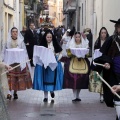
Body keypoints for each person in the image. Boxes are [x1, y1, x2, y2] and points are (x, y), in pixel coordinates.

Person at [94, 18, 120, 120]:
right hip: (115, 74)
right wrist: (107, 63)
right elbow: (106, 56)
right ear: (117, 28)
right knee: (117, 97)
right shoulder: (112, 40)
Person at [2, 27, 32, 100]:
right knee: (10, 78)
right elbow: (3, 51)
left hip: (18, 63)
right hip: (10, 62)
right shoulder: (7, 42)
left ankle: (15, 92)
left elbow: (24, 51)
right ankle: (9, 93)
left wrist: (26, 61)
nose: (15, 33)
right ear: (11, 33)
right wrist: (2, 60)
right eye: (13, 32)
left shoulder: (21, 42)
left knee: (16, 78)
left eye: (16, 31)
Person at [33, 30, 63, 102]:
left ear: (52, 37)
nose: (49, 38)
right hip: (45, 65)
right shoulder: (42, 45)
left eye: (50, 37)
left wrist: (57, 58)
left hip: (52, 64)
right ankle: (45, 96)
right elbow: (38, 53)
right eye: (47, 37)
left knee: (52, 79)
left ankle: (51, 91)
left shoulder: (55, 44)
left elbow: (60, 52)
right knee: (44, 80)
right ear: (45, 37)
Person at [61, 32, 90, 102]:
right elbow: (68, 53)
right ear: (74, 37)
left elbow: (87, 54)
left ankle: (78, 95)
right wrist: (72, 52)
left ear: (80, 37)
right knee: (73, 79)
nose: (77, 38)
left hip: (81, 63)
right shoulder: (71, 44)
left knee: (80, 80)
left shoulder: (84, 44)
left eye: (79, 37)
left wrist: (83, 53)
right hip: (73, 62)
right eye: (76, 37)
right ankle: (74, 95)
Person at [89, 27, 109, 103]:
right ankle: (101, 95)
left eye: (105, 33)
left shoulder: (108, 41)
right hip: (100, 63)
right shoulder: (97, 42)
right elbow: (95, 52)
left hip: (107, 63)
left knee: (106, 79)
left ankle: (106, 95)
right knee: (100, 79)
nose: (103, 34)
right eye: (102, 33)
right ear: (100, 34)